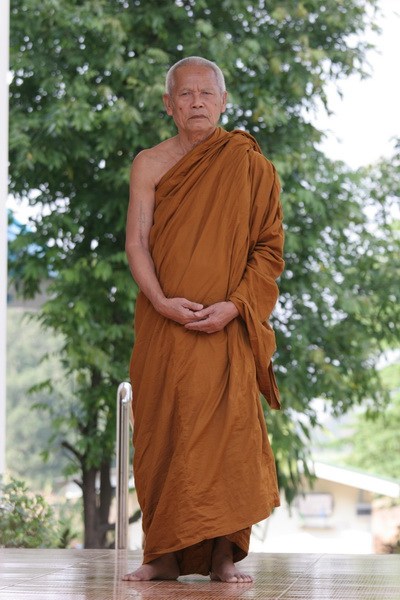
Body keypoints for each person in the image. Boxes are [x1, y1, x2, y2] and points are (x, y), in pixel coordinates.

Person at [123, 56, 284, 584]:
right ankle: (163, 554)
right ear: (168, 104)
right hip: (164, 325)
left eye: (206, 93)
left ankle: (223, 554)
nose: (196, 102)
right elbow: (136, 243)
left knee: (228, 440)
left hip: (226, 327)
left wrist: (235, 306)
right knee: (162, 432)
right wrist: (161, 301)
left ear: (223, 101)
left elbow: (268, 250)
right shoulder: (150, 164)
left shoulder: (249, 165)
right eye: (185, 94)